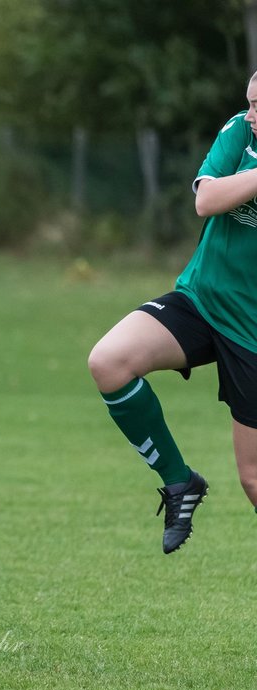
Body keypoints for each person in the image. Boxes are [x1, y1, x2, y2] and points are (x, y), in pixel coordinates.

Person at [87, 72, 257, 553]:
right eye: (249, 102)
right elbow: (207, 199)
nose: (250, 115)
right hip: (201, 302)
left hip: (253, 333)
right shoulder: (240, 132)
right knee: (109, 361)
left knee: (253, 480)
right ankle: (180, 482)